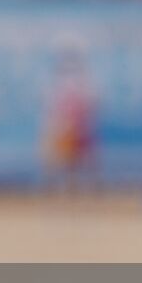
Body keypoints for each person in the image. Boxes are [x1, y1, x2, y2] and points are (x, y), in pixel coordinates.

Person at [42, 39, 98, 194]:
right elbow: (51, 105)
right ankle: (60, 188)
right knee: (60, 160)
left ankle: (83, 189)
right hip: (64, 125)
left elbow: (92, 103)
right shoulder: (57, 80)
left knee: (82, 160)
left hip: (79, 125)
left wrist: (84, 122)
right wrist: (55, 123)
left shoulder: (85, 80)